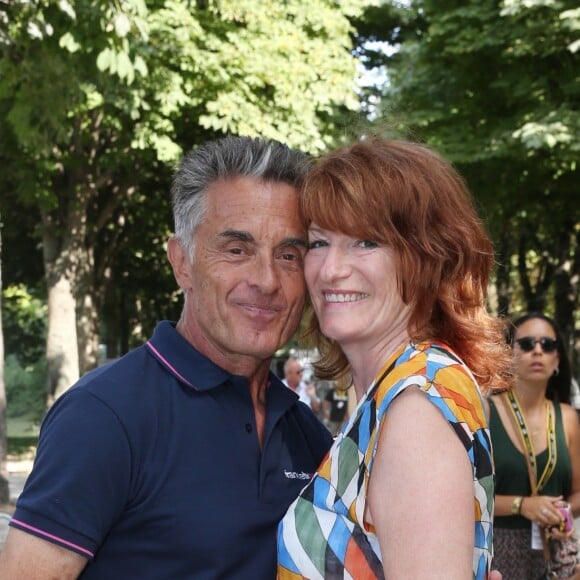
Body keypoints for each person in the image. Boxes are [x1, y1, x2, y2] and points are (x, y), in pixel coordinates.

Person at [0, 136, 333, 578]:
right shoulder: (105, 415)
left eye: (289, 255)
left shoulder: (305, 433)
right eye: (237, 250)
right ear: (182, 262)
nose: (267, 280)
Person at [276, 137, 511, 579]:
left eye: (366, 242)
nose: (331, 270)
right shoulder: (395, 392)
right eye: (319, 242)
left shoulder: (415, 403)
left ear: (429, 257)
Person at [489, 312, 580, 579]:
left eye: (547, 345)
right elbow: (466, 495)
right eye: (527, 344)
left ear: (557, 360)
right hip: (498, 555)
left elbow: (577, 493)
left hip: (554, 552)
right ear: (508, 354)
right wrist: (522, 505)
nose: (538, 351)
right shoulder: (484, 412)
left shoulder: (569, 418)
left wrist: (560, 512)